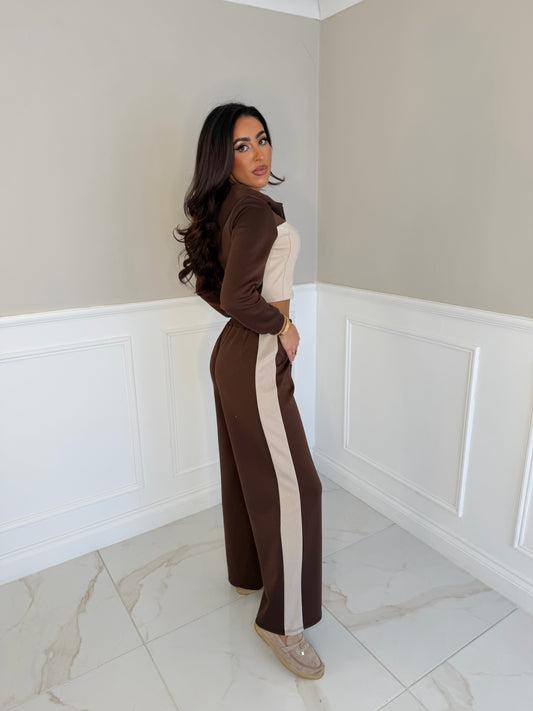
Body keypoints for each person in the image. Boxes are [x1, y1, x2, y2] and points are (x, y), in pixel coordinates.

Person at [176, 103, 324, 680]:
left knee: (245, 472)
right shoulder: (254, 211)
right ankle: (283, 624)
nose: (259, 153)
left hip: (234, 353)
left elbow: (212, 287)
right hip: (257, 354)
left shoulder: (227, 206)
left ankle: (248, 574)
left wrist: (257, 326)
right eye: (242, 146)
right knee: (298, 488)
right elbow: (240, 297)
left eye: (262, 139)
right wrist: (283, 326)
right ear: (223, 156)